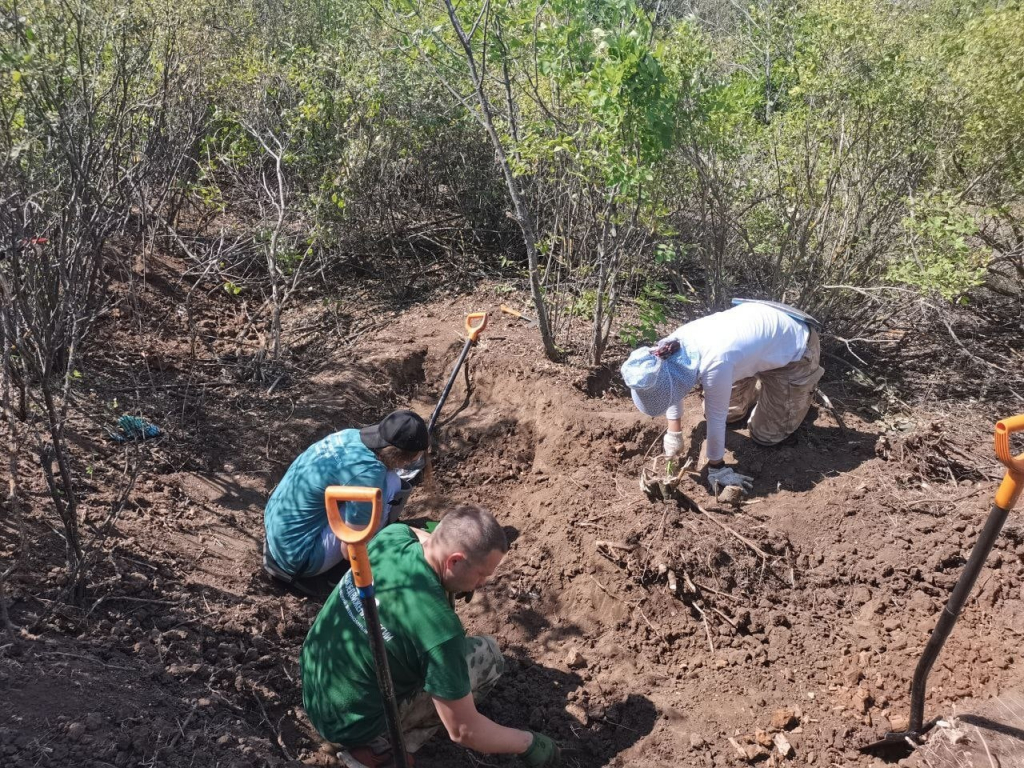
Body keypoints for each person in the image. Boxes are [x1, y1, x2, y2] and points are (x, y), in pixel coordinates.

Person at [301, 505, 561, 768]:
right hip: (352, 726)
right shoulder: (441, 631)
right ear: (454, 561)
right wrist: (528, 743)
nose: (482, 584)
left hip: (315, 692)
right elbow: (464, 731)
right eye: (482, 574)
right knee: (488, 656)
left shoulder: (391, 537)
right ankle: (377, 747)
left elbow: (419, 532)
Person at [621, 300, 824, 494]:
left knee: (765, 436)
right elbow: (672, 387)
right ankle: (756, 373)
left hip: (793, 350)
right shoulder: (665, 350)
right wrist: (674, 432)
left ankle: (783, 393)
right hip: (748, 344)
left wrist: (717, 467)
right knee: (731, 415)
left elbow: (715, 416)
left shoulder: (715, 363)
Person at [263, 410, 429, 583]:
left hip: (276, 530)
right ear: (401, 456)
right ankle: (340, 571)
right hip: (300, 558)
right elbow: (349, 551)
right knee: (392, 485)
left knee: (386, 482)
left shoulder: (350, 435)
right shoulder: (368, 474)